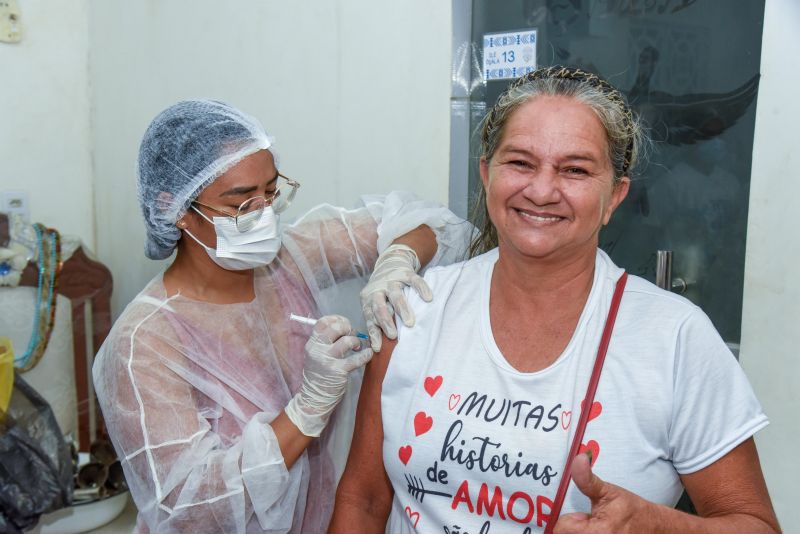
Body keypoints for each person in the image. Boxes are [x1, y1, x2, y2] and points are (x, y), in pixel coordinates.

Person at [331, 66, 781, 533]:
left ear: (615, 197)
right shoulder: (415, 309)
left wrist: (656, 526)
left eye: (575, 170)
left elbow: (756, 525)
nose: (542, 190)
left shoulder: (674, 339)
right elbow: (362, 500)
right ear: (486, 175)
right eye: (521, 163)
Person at [92, 100, 471, 533]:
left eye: (271, 192)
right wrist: (307, 409)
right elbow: (193, 509)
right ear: (175, 209)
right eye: (240, 204)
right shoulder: (145, 342)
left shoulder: (289, 259)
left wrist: (398, 260)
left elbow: (429, 225)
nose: (264, 215)